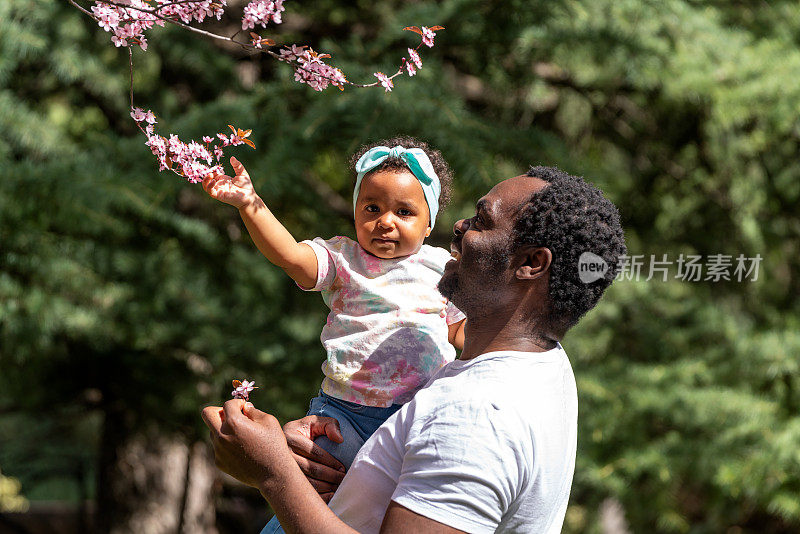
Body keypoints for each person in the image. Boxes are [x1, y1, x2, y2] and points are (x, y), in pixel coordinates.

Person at [202, 165, 627, 533]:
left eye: (482, 220)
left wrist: (272, 473)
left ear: (531, 263)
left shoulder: (477, 416)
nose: (459, 226)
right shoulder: (540, 365)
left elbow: (457, 431)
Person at [202, 136, 466, 472]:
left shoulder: (443, 267)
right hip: (344, 417)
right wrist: (250, 203)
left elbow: (460, 330)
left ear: (429, 222)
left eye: (404, 212)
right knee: (315, 496)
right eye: (372, 208)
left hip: (420, 415)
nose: (386, 221)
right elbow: (290, 256)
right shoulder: (342, 258)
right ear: (355, 211)